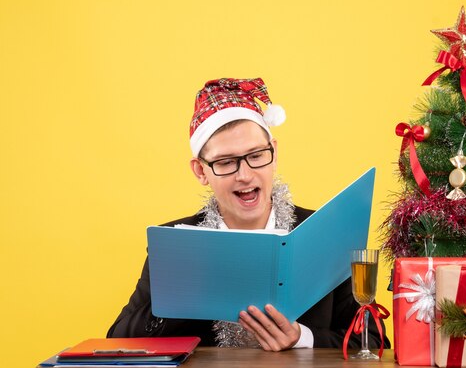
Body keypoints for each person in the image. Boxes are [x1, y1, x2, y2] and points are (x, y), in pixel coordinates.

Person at [107, 78, 389, 351]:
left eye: (256, 156)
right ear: (200, 171)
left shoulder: (327, 233)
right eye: (226, 162)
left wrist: (301, 338)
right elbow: (118, 340)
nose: (244, 174)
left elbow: (372, 342)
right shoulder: (176, 244)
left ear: (274, 153)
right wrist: (184, 296)